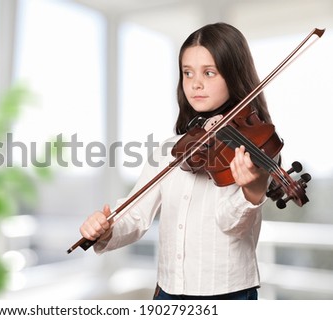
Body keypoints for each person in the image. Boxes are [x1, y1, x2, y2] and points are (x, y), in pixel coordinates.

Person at [79, 22, 273, 300]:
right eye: (187, 73)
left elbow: (232, 225)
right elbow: (136, 213)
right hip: (167, 292)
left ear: (234, 74)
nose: (195, 83)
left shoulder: (255, 143)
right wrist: (106, 227)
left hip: (228, 294)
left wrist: (251, 192)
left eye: (209, 72)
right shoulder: (173, 147)